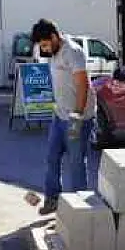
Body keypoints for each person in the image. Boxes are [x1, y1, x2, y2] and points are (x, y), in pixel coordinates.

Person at [29, 19, 96, 215]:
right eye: (40, 46)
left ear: (54, 37)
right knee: (52, 158)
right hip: (59, 116)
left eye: (45, 44)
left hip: (78, 117)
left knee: (75, 162)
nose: (44, 50)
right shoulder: (48, 51)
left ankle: (79, 207)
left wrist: (77, 116)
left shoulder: (73, 52)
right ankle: (53, 200)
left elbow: (84, 86)